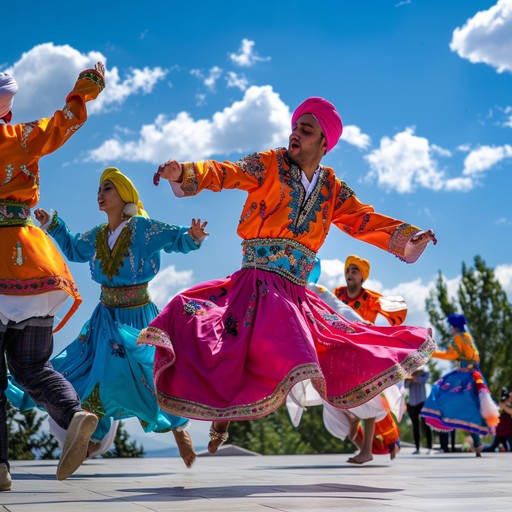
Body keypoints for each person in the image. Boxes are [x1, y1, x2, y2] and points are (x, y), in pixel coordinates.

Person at [138, 96, 437, 455]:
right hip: (256, 281)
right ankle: (220, 417)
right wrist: (185, 173)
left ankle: (362, 434)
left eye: (306, 130)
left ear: (324, 143)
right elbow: (227, 171)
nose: (295, 134)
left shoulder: (332, 189)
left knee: (337, 346)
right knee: (207, 329)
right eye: (295, 127)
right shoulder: (269, 165)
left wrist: (407, 237)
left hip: (296, 291)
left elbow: (363, 220)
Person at [7, 168, 208, 468]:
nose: (101, 194)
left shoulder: (142, 229)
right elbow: (75, 248)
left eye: (108, 188)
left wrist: (191, 237)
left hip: (138, 317)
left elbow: (173, 238)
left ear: (124, 194)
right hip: (104, 319)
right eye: (100, 189)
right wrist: (54, 225)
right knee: (87, 374)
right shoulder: (99, 235)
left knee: (152, 378)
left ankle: (178, 428)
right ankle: (90, 440)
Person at [0, 63, 105, 490]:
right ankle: (72, 414)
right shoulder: (25, 136)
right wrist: (88, 86)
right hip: (34, 262)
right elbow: (69, 119)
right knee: (32, 365)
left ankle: (0, 468)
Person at [421, 313, 500, 457]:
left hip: (464, 376)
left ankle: (441, 417)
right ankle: (477, 444)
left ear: (453, 327)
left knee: (439, 391)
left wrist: (430, 353)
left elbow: (451, 356)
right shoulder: (467, 337)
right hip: (475, 375)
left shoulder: (458, 337)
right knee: (472, 409)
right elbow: (476, 357)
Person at [404, 366, 433, 454]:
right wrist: (410, 376)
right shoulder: (409, 370)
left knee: (426, 424)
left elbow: (426, 379)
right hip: (412, 402)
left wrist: (415, 376)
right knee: (415, 425)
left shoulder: (424, 369)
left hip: (422, 401)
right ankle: (417, 448)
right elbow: (405, 385)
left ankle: (430, 448)